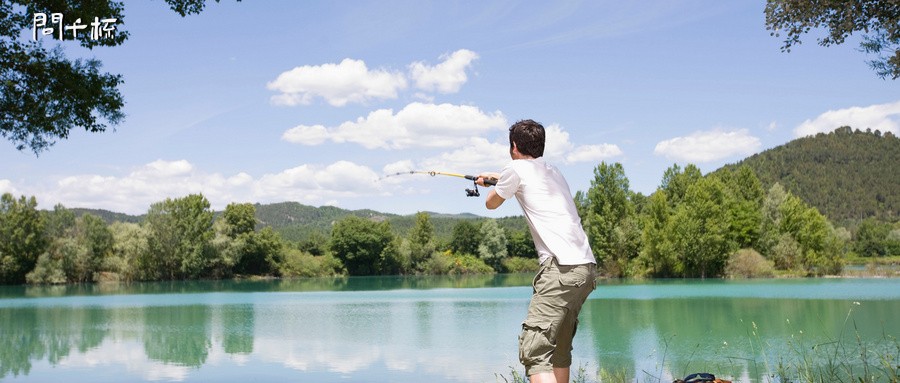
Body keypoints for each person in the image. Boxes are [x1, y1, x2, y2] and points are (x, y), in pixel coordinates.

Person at [477, 119, 597, 383]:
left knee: (535, 351)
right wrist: (496, 178)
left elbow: (491, 203)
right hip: (585, 270)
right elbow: (521, 178)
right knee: (558, 351)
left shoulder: (515, 169)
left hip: (560, 270)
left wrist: (492, 183)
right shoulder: (553, 171)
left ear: (514, 146)